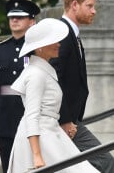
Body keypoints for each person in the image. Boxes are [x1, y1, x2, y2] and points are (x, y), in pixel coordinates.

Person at [7, 18, 100, 172]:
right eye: (53, 41)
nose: (58, 44)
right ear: (40, 48)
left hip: (51, 134)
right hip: (42, 139)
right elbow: (31, 115)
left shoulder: (42, 71)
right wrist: (36, 155)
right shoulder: (35, 74)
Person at [50, 0, 114, 172]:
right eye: (90, 6)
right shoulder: (62, 33)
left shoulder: (71, 34)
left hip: (71, 120)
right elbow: (54, 78)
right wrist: (65, 119)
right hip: (65, 121)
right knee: (106, 163)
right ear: (74, 5)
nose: (94, 11)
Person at [0, 0, 40, 173]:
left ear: (32, 21)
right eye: (11, 18)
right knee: (9, 166)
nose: (14, 20)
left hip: (30, 116)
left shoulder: (37, 49)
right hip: (5, 119)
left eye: (20, 17)